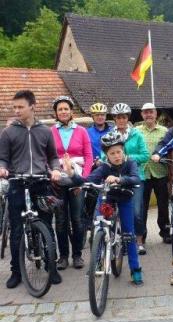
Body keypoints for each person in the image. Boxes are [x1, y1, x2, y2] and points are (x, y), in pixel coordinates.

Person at [0, 90, 62, 288]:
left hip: (41, 182)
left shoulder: (45, 131)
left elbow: (53, 156)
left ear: (32, 106)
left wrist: (55, 170)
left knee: (46, 224)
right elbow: (3, 157)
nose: (16, 110)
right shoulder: (8, 132)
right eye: (14, 107)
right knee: (17, 229)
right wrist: (2, 167)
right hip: (17, 182)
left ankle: (50, 266)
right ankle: (16, 272)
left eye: (20, 106)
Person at [64, 132, 144, 285]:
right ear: (106, 154)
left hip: (125, 198)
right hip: (107, 198)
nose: (116, 156)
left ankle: (135, 269)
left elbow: (136, 178)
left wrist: (120, 179)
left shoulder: (130, 163)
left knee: (129, 234)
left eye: (118, 152)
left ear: (123, 151)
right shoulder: (104, 167)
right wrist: (71, 173)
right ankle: (98, 262)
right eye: (112, 153)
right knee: (100, 227)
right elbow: (87, 180)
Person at [51, 96, 93, 270]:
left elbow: (89, 156)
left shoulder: (82, 131)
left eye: (66, 109)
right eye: (60, 109)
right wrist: (51, 175)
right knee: (60, 220)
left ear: (71, 111)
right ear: (56, 112)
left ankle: (77, 255)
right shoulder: (50, 131)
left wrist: (82, 180)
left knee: (77, 219)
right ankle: (63, 257)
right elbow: (47, 156)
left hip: (76, 179)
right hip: (58, 181)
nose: (63, 112)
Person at [108, 103, 150, 254]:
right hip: (115, 177)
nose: (121, 120)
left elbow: (145, 155)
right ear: (114, 119)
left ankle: (139, 241)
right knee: (116, 212)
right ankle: (123, 241)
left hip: (135, 177)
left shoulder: (136, 134)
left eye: (124, 117)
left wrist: (126, 158)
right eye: (118, 117)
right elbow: (103, 153)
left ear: (128, 118)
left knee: (137, 212)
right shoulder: (109, 134)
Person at [135, 103, 170, 244]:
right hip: (142, 174)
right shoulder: (136, 131)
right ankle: (141, 235)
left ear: (156, 114)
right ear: (142, 115)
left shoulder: (164, 131)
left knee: (163, 206)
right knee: (142, 207)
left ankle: (165, 232)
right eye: (146, 112)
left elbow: (169, 148)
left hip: (160, 172)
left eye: (151, 112)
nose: (148, 115)